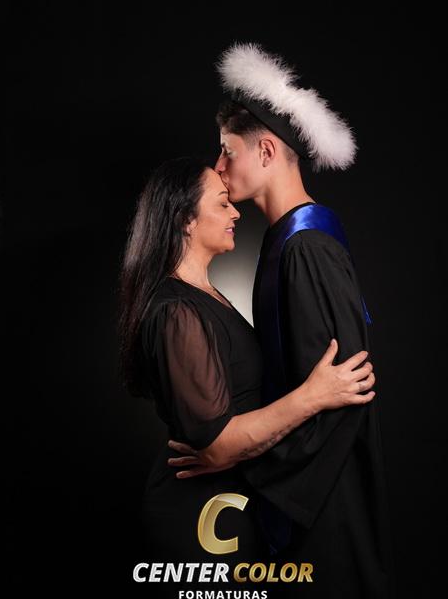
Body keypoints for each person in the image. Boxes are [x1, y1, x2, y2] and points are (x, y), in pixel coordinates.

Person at [168, 44, 395, 598]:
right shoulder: (284, 242)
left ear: (266, 150)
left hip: (325, 502)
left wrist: (242, 463)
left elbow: (343, 395)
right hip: (308, 489)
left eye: (228, 151)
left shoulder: (306, 248)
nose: (219, 167)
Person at [118, 156, 375, 594]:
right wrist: (314, 395)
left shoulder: (204, 296)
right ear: (184, 220)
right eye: (222, 204)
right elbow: (217, 445)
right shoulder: (177, 312)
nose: (235, 212)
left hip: (230, 508)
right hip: (202, 520)